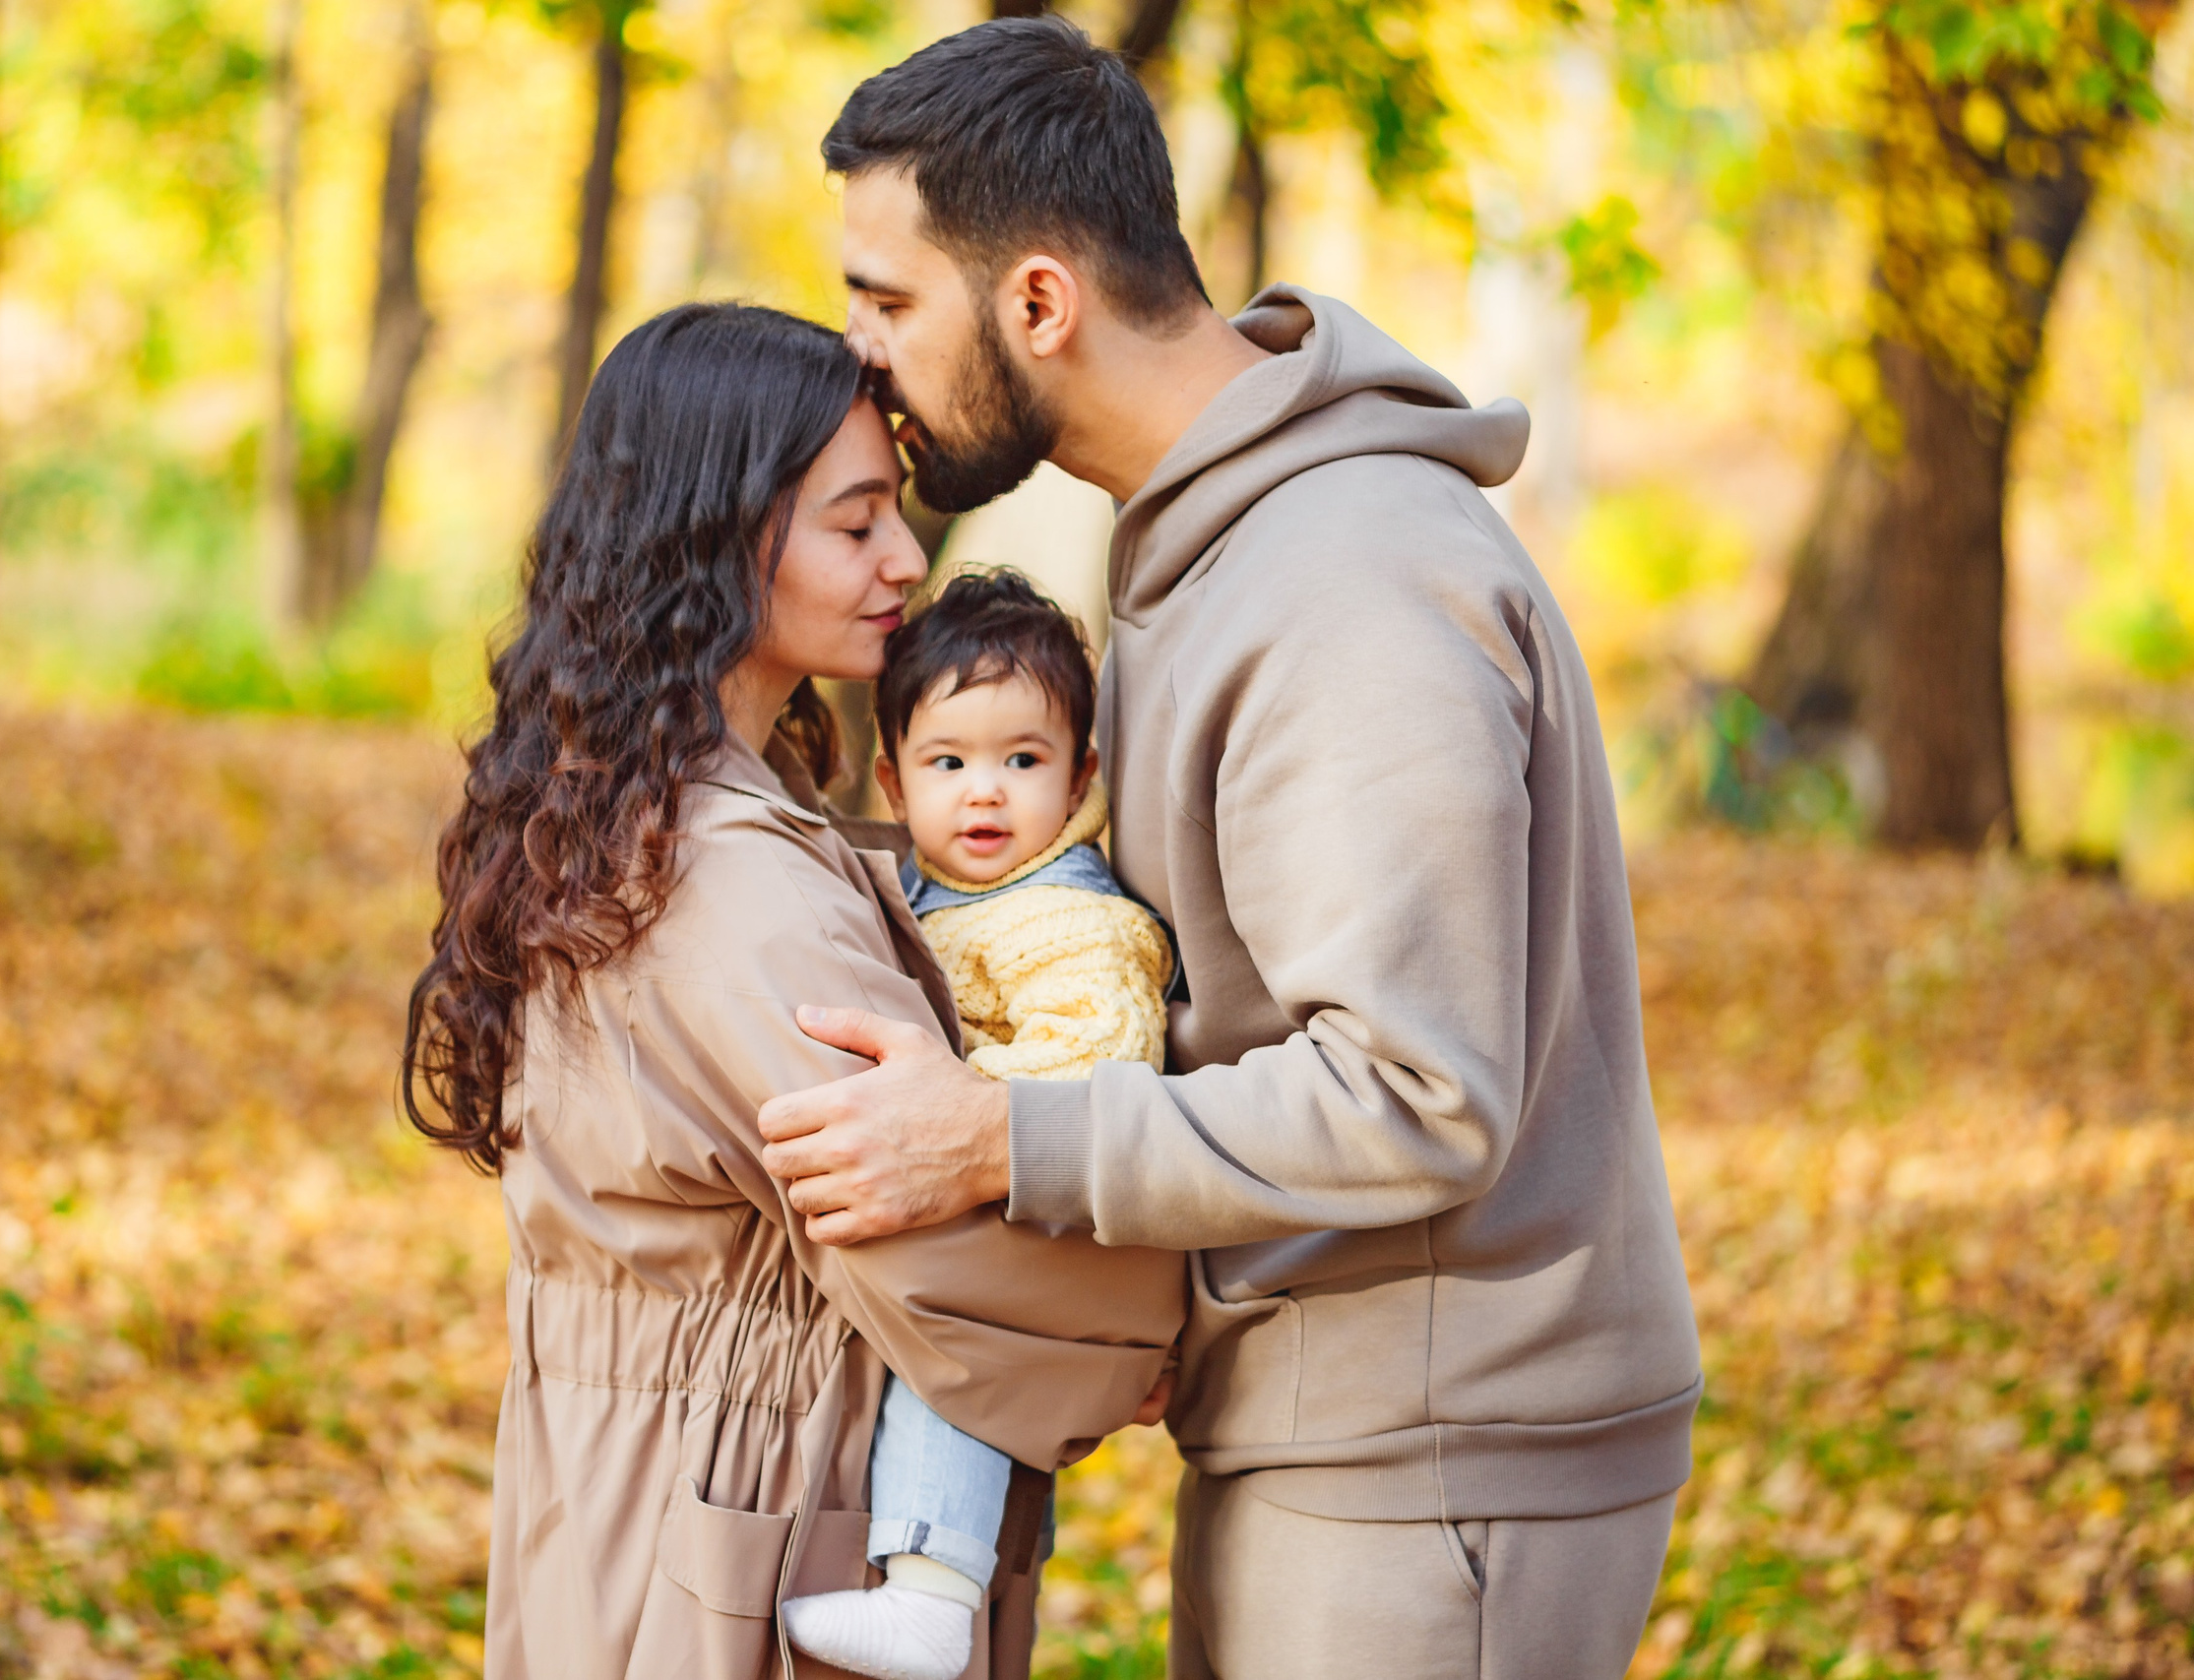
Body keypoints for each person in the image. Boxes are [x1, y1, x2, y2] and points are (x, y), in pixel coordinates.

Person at [755, 20, 1705, 1679]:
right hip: (1338, 1416)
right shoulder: (1204, 542)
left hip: (1442, 1451)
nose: (863, 359)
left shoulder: (1344, 582)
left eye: (889, 302)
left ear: (1037, 303)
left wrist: (1002, 1140)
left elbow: (1418, 1090)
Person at [402, 301, 1185, 1680]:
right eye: (856, 519)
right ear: (721, 539)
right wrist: (1170, 1315)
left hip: (648, 1504)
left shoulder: (627, 810)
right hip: (748, 1532)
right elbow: (935, 1252)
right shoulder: (729, 878)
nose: (903, 558)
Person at [782, 569, 1172, 1680]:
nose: (986, 794)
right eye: (950, 763)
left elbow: (1100, 1057)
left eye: (1023, 761)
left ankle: (931, 1600)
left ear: (1081, 775)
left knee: (955, 1369)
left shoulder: (1067, 916)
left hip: (1043, 1208)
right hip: (991, 1215)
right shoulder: (934, 893)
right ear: (894, 781)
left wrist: (948, 1103)